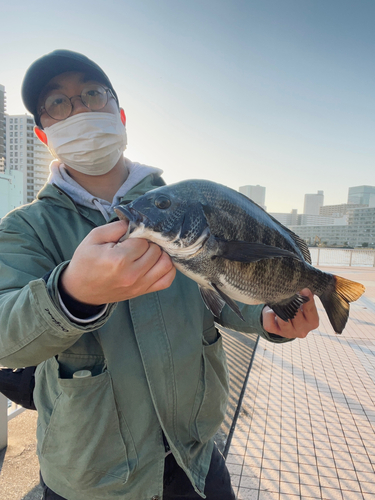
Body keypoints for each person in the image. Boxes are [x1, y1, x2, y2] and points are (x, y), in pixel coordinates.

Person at [0, 50, 319, 500]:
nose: (80, 108)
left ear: (121, 116)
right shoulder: (24, 228)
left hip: (196, 460)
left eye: (93, 94)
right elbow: (4, 335)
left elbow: (221, 283)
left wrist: (268, 318)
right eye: (58, 103)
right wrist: (71, 295)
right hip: (90, 477)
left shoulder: (182, 205)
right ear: (42, 134)